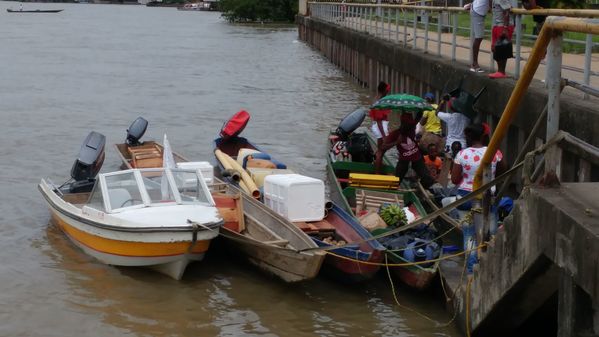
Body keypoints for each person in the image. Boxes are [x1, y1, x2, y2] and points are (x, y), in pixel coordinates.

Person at [449, 123, 506, 209]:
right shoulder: (495, 152)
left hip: (465, 199)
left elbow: (454, 180)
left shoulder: (461, 154)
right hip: (488, 197)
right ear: (484, 137)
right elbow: (501, 174)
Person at [395, 112, 435, 189]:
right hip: (404, 159)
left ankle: (424, 189)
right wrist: (396, 142)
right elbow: (383, 147)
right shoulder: (395, 134)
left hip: (416, 157)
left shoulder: (412, 127)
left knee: (427, 178)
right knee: (397, 180)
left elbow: (418, 117)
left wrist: (420, 110)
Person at [489, 0, 515, 79]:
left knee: (501, 48)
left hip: (503, 26)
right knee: (495, 48)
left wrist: (505, 28)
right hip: (497, 25)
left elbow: (507, 11)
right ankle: (500, 71)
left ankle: (501, 72)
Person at [370, 81, 392, 173]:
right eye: (387, 91)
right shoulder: (379, 102)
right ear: (384, 91)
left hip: (382, 125)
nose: (388, 92)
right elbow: (379, 121)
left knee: (381, 149)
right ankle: (377, 172)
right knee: (381, 151)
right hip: (380, 126)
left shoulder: (378, 99)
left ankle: (378, 161)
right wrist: (384, 135)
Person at [464, 0, 492, 72]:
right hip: (478, 12)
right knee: (478, 37)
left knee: (478, 37)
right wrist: (491, 8)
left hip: (477, 9)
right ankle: (474, 64)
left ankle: (474, 63)